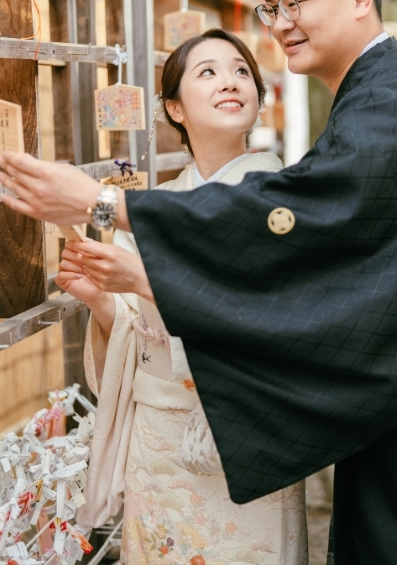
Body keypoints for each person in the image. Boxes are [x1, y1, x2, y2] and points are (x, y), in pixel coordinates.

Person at [0, 0, 397, 564]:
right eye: (272, 6)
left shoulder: (395, 105)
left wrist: (104, 203)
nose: (281, 22)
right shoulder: (380, 97)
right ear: (172, 106)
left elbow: (297, 228)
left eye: (299, 1)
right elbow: (327, 265)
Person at [60, 29, 306, 565]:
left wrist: (138, 280)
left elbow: (274, 321)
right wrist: (99, 299)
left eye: (242, 71)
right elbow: (133, 327)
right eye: (209, 72)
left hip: (245, 428)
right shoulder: (153, 205)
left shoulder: (285, 197)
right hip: (160, 438)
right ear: (173, 107)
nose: (230, 82)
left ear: (259, 100)